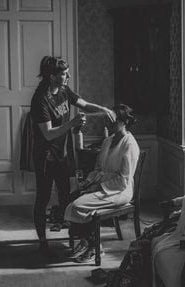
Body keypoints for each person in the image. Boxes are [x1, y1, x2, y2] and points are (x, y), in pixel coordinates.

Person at [28, 56, 112, 257]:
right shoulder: (40, 98)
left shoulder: (64, 90)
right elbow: (48, 133)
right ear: (52, 76)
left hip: (62, 153)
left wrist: (103, 110)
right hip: (46, 156)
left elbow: (84, 104)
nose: (68, 76)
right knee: (43, 198)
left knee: (68, 195)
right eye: (64, 74)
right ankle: (42, 240)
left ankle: (79, 237)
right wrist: (72, 124)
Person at [63, 104, 141, 263]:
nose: (110, 122)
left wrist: (97, 186)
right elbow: (97, 168)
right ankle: (87, 241)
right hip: (102, 185)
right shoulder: (107, 141)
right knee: (70, 199)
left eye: (115, 119)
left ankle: (94, 247)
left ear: (124, 121)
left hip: (120, 191)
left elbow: (123, 180)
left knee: (78, 206)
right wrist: (88, 182)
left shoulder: (130, 145)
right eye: (109, 118)